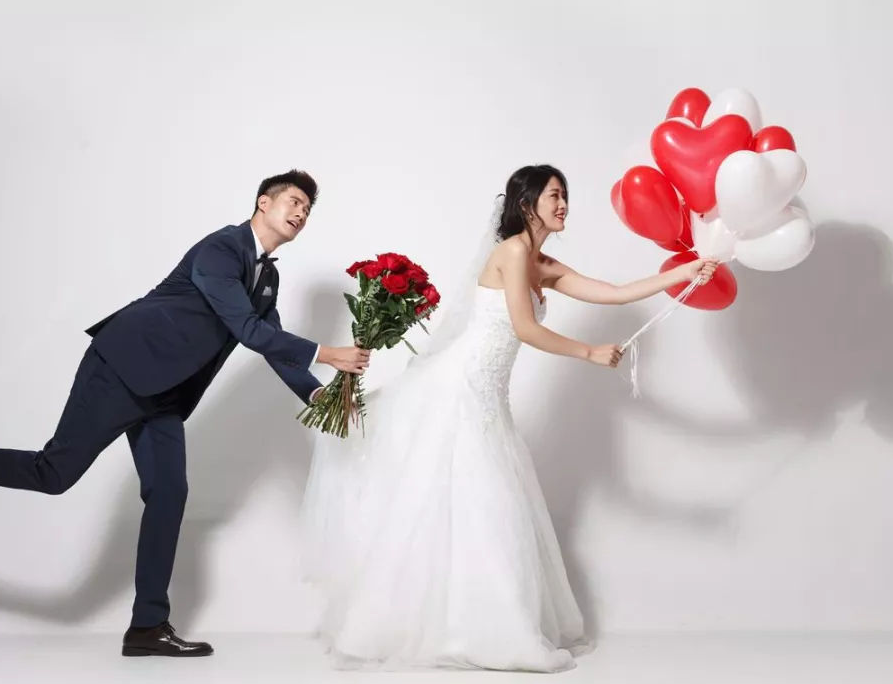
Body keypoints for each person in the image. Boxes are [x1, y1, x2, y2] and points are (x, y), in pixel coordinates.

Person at [0, 169, 370, 657]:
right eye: (294, 201)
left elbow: (274, 345)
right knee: (54, 474)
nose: (300, 213)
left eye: (307, 209)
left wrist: (319, 396)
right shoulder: (221, 249)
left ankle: (147, 627)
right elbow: (247, 329)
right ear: (263, 202)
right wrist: (329, 353)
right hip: (121, 367)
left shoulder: (267, 275)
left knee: (169, 491)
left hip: (166, 393)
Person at [300, 164, 717, 672]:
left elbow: (611, 290)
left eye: (565, 196)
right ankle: (472, 631)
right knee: (473, 502)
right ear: (526, 204)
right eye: (555, 195)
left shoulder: (541, 262)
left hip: (488, 398)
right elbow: (523, 327)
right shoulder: (513, 252)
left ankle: (477, 625)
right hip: (459, 391)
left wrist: (683, 272)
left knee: (481, 504)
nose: (564, 205)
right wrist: (588, 352)